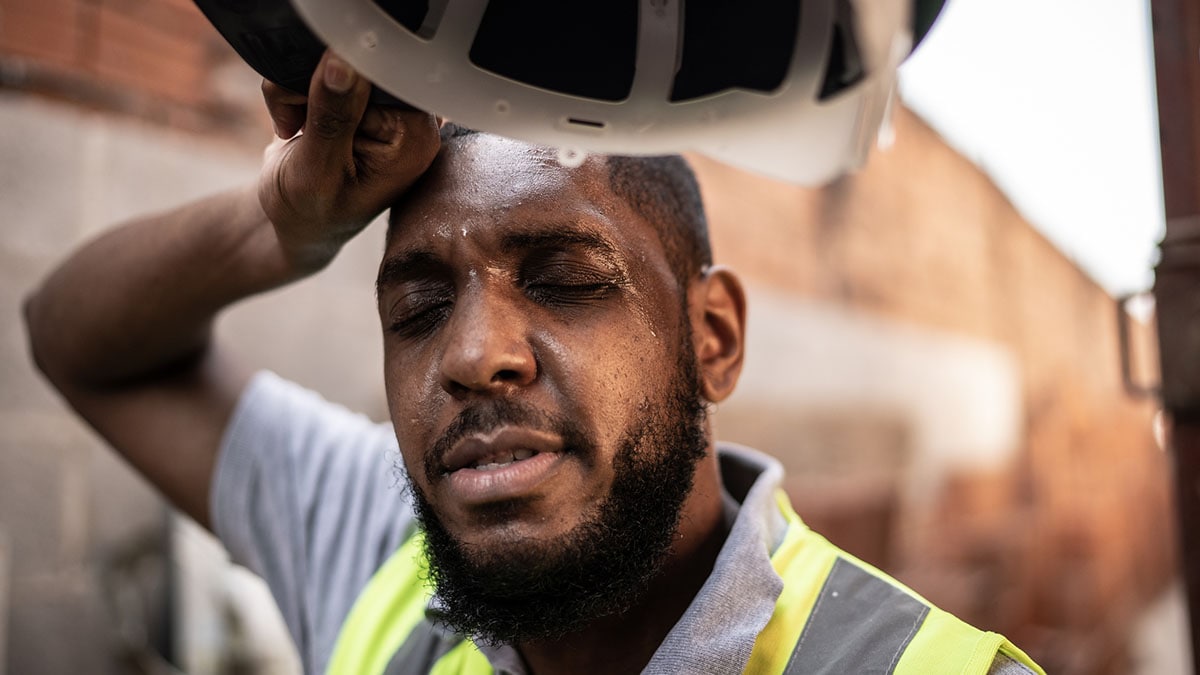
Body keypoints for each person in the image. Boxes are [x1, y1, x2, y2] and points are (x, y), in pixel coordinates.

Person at [24, 52, 1043, 675]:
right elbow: (78, 341)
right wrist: (277, 221)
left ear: (713, 339)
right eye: (420, 306)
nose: (472, 356)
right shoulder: (381, 550)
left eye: (564, 280)